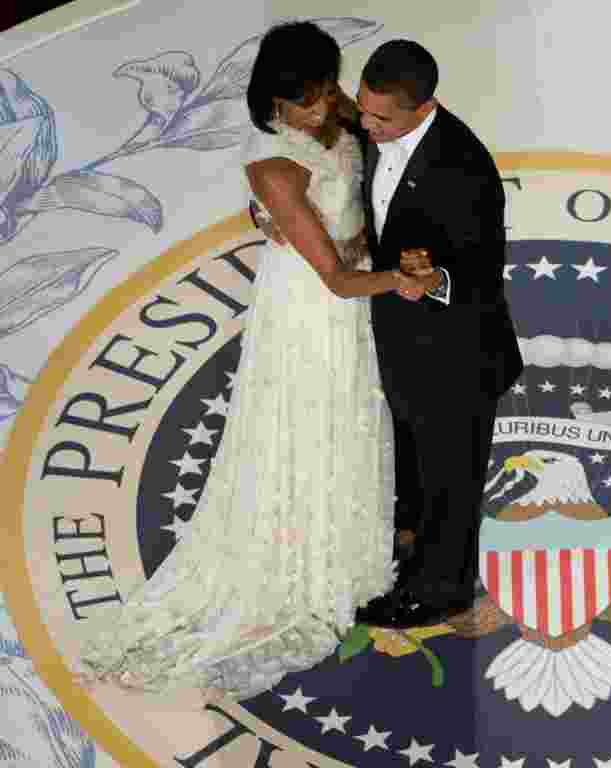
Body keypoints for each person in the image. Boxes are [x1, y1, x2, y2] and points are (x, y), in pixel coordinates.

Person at [75, 21, 429, 701]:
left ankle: (356, 537)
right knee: (312, 423)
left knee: (353, 418)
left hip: (353, 296)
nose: (329, 108)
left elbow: (369, 145)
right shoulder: (272, 165)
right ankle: (311, 559)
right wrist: (403, 278)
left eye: (330, 90)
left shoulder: (330, 109)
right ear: (277, 100)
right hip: (314, 309)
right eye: (312, 99)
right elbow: (334, 277)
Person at [353, 40, 524, 629]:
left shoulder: (465, 167)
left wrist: (434, 281)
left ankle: (441, 590)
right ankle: (409, 552)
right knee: (413, 464)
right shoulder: (369, 133)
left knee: (451, 478)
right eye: (363, 110)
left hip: (459, 355)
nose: (367, 126)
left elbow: (481, 270)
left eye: (382, 118)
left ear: (423, 109)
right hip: (399, 343)